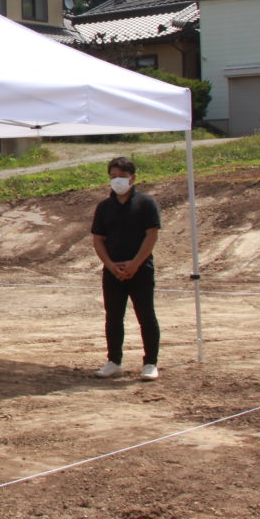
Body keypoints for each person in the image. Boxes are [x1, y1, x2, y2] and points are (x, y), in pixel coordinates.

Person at [90, 156, 161, 381]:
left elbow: (151, 236)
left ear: (133, 178)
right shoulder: (104, 207)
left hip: (140, 269)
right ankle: (114, 361)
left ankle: (150, 362)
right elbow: (98, 239)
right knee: (113, 317)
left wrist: (135, 263)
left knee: (146, 315)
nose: (117, 181)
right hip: (112, 272)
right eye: (113, 177)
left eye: (122, 177)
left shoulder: (146, 203)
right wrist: (110, 265)